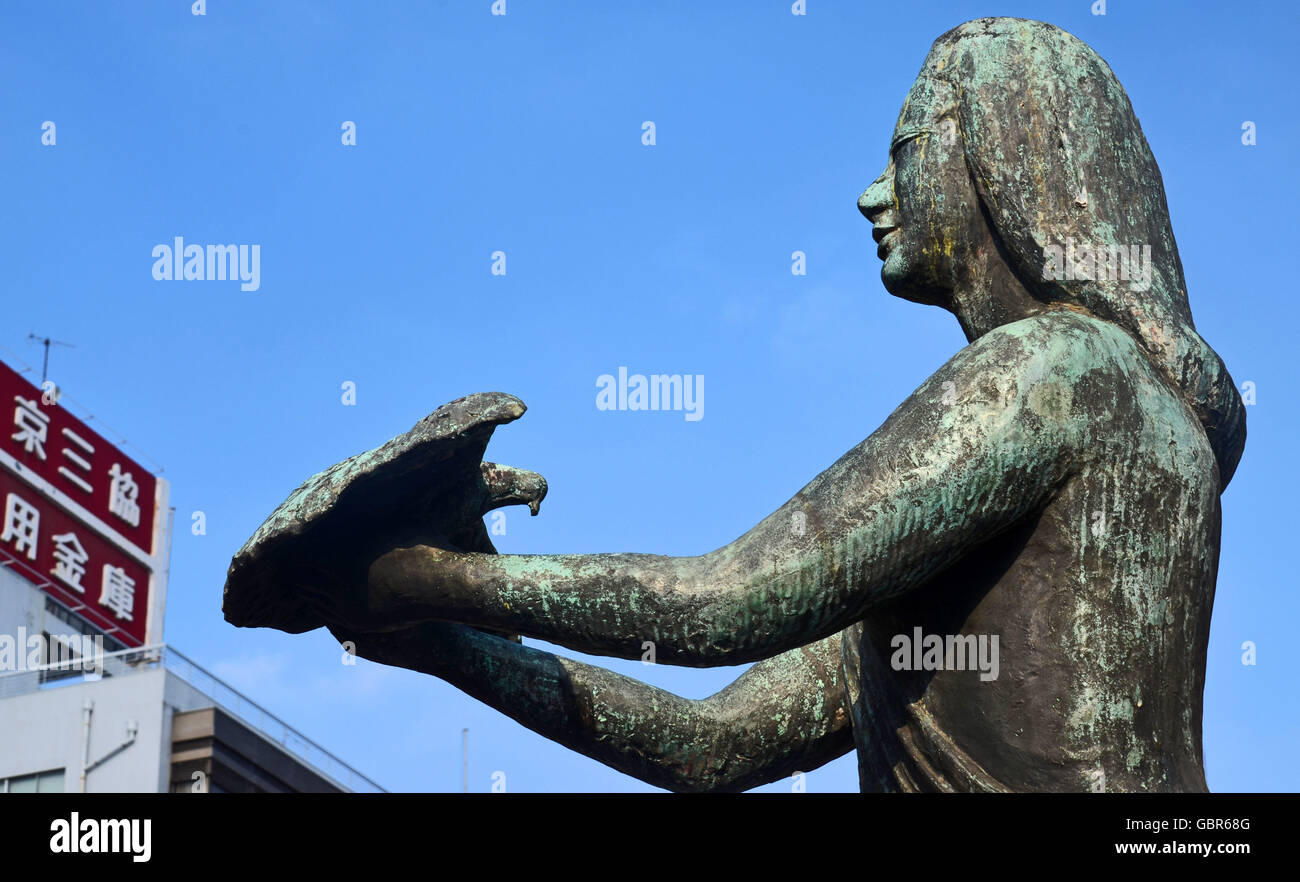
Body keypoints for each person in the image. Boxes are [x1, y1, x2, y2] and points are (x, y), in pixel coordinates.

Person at [325, 18, 1246, 792]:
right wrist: (445, 645)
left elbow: (728, 602)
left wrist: (415, 577)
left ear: (1000, 157)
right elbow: (714, 744)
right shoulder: (1124, 418)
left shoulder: (1060, 367)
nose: (872, 195)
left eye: (906, 151)